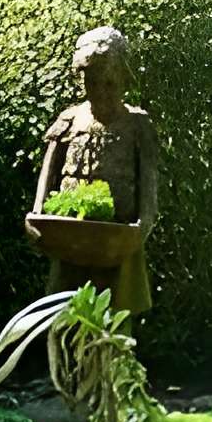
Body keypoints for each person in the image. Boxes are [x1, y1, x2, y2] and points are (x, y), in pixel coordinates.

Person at [30, 25, 159, 315]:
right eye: (93, 82)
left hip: (119, 238)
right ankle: (66, 359)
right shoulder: (70, 120)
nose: (101, 91)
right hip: (70, 236)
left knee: (116, 312)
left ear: (124, 78)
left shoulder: (137, 125)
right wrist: (37, 213)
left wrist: (144, 223)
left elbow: (148, 178)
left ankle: (113, 359)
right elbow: (48, 170)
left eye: (109, 83)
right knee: (65, 310)